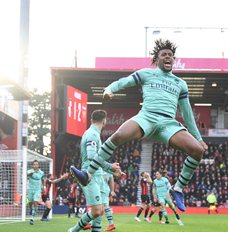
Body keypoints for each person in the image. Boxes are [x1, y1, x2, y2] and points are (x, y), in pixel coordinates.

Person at [70, 39, 208, 212]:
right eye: (163, 54)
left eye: (170, 55)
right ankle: (88, 174)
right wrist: (109, 89)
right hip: (147, 117)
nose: (168, 57)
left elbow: (187, 112)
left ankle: (178, 189)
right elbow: (124, 81)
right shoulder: (146, 74)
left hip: (168, 124)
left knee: (198, 151)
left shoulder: (180, 84)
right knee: (118, 135)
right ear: (156, 60)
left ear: (173, 60)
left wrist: (199, 138)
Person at [68, 110, 122, 232]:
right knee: (97, 210)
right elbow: (92, 157)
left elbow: (97, 158)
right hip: (90, 175)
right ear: (104, 121)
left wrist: (111, 169)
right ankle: (74, 230)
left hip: (98, 176)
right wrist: (110, 167)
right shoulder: (92, 134)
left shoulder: (93, 134)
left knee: (101, 209)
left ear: (91, 119)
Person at [27, 160, 46, 225]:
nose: (35, 165)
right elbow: (27, 175)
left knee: (35, 201)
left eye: (37, 164)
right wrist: (33, 172)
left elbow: (43, 179)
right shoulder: (30, 171)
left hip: (37, 190)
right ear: (32, 165)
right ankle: (31, 209)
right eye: (34, 164)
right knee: (30, 202)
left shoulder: (41, 172)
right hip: (30, 189)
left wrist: (44, 187)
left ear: (38, 165)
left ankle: (32, 218)